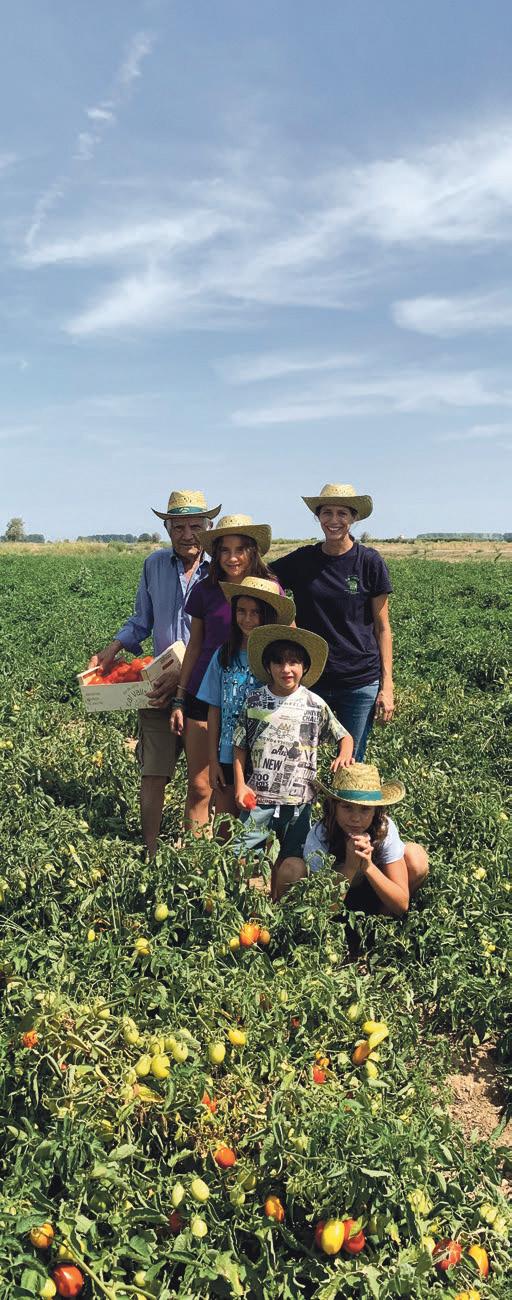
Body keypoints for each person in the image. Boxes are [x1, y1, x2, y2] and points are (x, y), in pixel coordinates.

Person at [88, 488, 220, 856]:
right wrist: (112, 650)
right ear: (167, 529)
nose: (187, 534)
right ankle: (151, 853)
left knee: (202, 781)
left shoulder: (221, 570)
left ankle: (192, 856)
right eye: (178, 527)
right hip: (159, 683)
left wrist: (186, 676)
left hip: (204, 687)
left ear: (208, 527)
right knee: (154, 772)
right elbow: (141, 620)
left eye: (195, 526)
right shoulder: (154, 565)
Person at [170, 514, 280, 832]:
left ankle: (235, 854)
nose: (232, 558)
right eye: (224, 550)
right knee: (202, 785)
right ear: (216, 554)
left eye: (240, 549)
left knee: (245, 789)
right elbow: (195, 645)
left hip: (253, 699)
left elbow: (288, 639)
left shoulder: (270, 587)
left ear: (253, 551)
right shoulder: (206, 590)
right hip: (206, 695)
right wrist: (180, 697)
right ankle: (197, 856)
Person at [271, 483, 394, 761]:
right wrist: (288, 623)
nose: (334, 520)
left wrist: (387, 686)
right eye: (327, 513)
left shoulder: (369, 562)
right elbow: (264, 581)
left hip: (359, 680)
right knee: (301, 759)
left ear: (354, 518)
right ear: (318, 516)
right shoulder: (303, 560)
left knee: (350, 763)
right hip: (311, 677)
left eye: (342, 513)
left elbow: (383, 628)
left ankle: (343, 793)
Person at [232, 626, 354, 872]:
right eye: (278, 662)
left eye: (293, 662)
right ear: (268, 667)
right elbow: (239, 745)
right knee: (239, 857)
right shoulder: (255, 701)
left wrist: (344, 755)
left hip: (300, 802)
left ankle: (278, 895)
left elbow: (344, 736)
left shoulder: (314, 704)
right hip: (258, 798)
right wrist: (240, 785)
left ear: (304, 667)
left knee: (291, 863)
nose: (286, 669)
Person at [196, 577, 295, 828]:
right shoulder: (224, 654)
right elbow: (214, 709)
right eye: (241, 611)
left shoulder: (277, 660)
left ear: (268, 616)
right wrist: (213, 760)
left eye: (256, 612)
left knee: (262, 827)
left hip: (268, 755)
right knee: (225, 823)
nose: (247, 619)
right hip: (228, 753)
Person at [274, 762, 428, 916]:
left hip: (374, 895)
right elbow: (323, 910)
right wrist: (350, 867)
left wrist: (368, 866)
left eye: (365, 809)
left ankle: (383, 920)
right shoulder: (320, 835)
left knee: (416, 856)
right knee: (292, 868)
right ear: (334, 807)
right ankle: (292, 922)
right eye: (347, 807)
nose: (355, 818)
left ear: (376, 811)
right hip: (334, 904)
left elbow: (401, 904)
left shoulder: (384, 829)